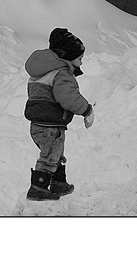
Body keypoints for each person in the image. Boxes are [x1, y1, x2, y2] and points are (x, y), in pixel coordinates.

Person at [23, 27, 95, 201]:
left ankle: (58, 183)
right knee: (50, 157)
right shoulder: (61, 74)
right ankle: (38, 189)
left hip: (39, 125)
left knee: (55, 153)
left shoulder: (43, 71)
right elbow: (68, 97)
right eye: (80, 58)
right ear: (68, 56)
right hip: (50, 126)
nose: (82, 63)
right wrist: (87, 109)